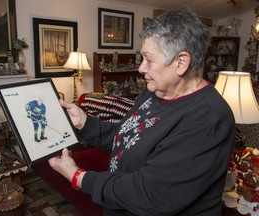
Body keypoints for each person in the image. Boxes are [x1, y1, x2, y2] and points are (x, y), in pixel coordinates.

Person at [49, 7, 235, 216]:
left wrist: (78, 176)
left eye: (149, 59)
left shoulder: (208, 120)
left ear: (181, 62)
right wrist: (84, 122)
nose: (141, 68)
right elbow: (125, 136)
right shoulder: (154, 91)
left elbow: (150, 193)